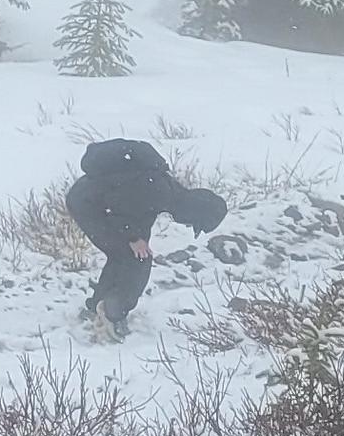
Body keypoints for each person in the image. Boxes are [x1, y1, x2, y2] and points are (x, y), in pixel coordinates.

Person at [65, 134, 226, 342]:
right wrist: (133, 236)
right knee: (137, 258)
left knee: (125, 255)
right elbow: (118, 207)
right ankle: (112, 314)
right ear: (195, 211)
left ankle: (99, 307)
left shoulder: (169, 191)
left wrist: (135, 238)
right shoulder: (160, 191)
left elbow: (133, 208)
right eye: (193, 222)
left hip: (86, 199)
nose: (187, 224)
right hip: (88, 206)